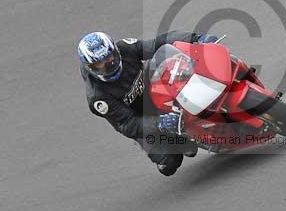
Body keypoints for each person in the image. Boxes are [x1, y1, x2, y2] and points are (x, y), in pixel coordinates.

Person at [77, 30, 217, 176]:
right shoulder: (98, 97)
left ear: (116, 51)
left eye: (109, 58)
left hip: (151, 90)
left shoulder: (125, 47)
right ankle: (174, 144)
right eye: (99, 64)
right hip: (139, 118)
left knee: (178, 71)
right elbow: (128, 124)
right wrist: (161, 123)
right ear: (90, 67)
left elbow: (157, 43)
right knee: (170, 163)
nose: (108, 66)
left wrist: (196, 39)